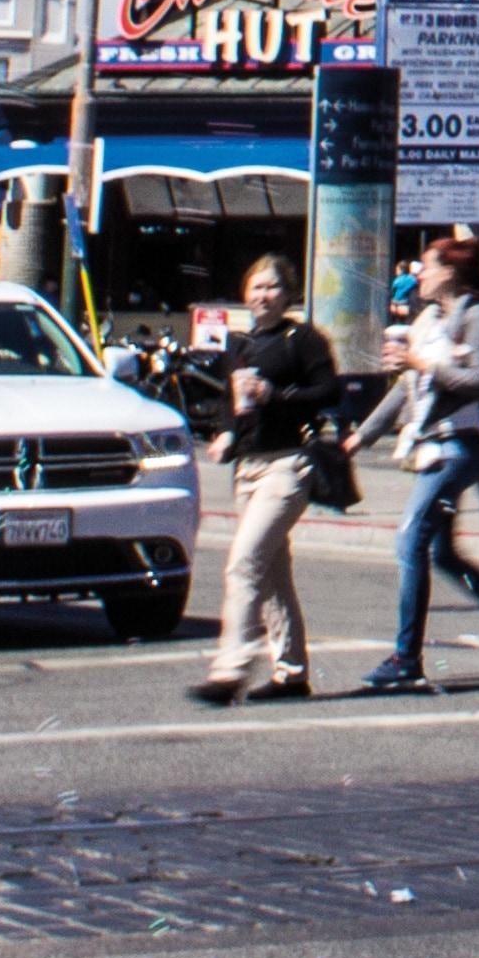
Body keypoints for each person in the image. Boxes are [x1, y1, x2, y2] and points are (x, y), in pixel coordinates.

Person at [361, 234, 479, 695]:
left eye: (427, 266)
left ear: (451, 272)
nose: (419, 275)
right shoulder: (428, 319)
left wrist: (423, 364)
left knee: (410, 540)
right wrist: (358, 438)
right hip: (433, 445)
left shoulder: (474, 315)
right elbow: (405, 388)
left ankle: (406, 657)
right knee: (440, 552)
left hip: (458, 446)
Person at [190, 256, 336, 705]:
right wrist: (226, 434)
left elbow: (330, 391)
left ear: (289, 293)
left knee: (243, 563)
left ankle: (229, 671)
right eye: (256, 287)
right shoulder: (242, 345)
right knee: (271, 572)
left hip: (288, 465)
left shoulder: (303, 339)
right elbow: (230, 405)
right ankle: (291, 674)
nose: (263, 295)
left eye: (272, 287)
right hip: (248, 468)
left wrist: (279, 395)